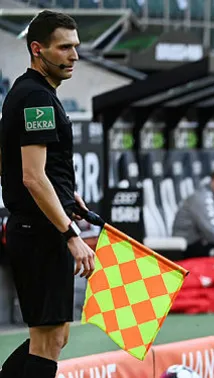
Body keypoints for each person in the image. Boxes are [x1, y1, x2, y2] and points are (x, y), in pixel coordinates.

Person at [0, 10, 96, 378]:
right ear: (37, 49)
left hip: (39, 229)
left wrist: (68, 195)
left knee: (56, 337)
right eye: (64, 47)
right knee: (46, 342)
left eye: (76, 47)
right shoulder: (35, 99)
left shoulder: (29, 92)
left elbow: (19, 165)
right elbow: (33, 178)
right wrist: (71, 235)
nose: (74, 56)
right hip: (40, 233)